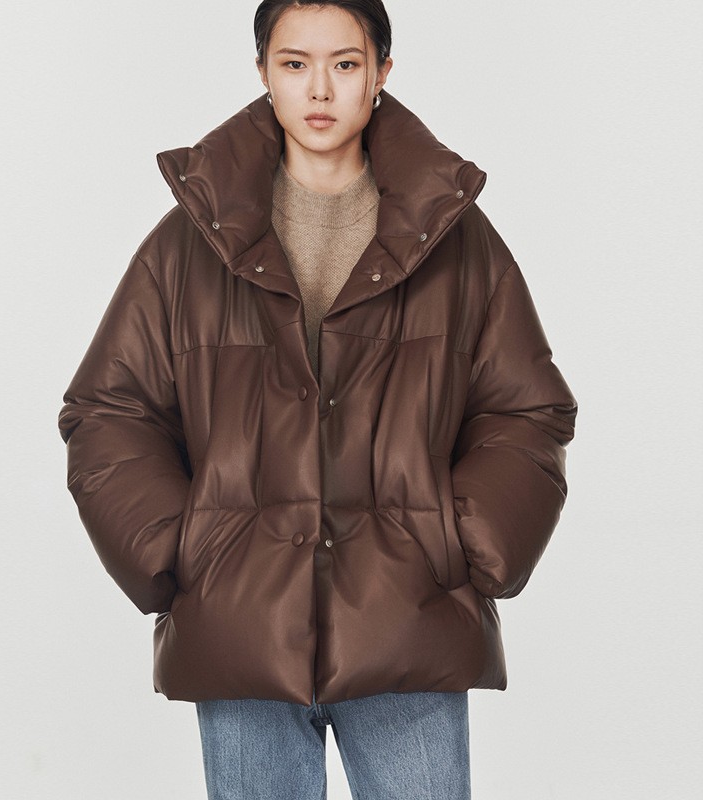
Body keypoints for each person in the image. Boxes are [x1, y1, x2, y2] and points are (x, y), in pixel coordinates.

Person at [58, 1, 578, 797]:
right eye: (295, 64)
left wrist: (460, 543)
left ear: (381, 74)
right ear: (264, 75)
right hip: (244, 629)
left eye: (345, 63)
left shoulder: (453, 237)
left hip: (408, 623)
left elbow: (525, 408)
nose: (320, 89)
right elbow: (109, 411)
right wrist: (183, 550)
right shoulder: (188, 243)